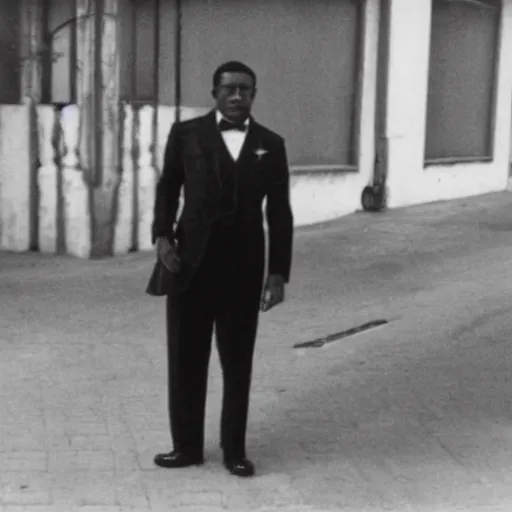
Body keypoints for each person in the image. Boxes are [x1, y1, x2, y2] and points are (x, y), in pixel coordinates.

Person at [146, 60, 293, 477]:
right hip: (189, 263)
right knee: (186, 358)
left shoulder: (271, 143)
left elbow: (280, 212)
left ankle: (234, 451)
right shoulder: (186, 134)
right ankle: (187, 447)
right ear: (214, 93)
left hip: (244, 268)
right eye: (228, 88)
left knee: (237, 361)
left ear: (254, 95)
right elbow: (168, 186)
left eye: (245, 89)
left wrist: (278, 272)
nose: (236, 96)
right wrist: (162, 237)